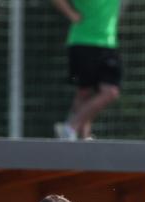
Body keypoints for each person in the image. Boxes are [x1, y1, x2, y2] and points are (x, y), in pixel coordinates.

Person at [51, 0, 121, 141]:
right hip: (82, 42)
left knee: (111, 92)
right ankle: (82, 136)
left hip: (109, 44)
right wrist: (71, 14)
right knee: (84, 92)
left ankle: (70, 127)